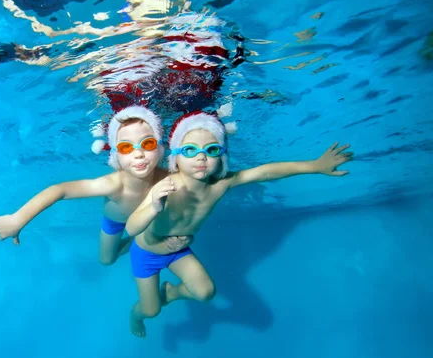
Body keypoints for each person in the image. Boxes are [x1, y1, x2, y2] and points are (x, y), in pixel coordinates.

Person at [125, 110, 353, 337]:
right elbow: (132, 227)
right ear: (175, 156)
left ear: (222, 155)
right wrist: (154, 205)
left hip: (178, 251)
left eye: (211, 150)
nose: (201, 157)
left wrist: (315, 166)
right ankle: (135, 317)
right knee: (151, 310)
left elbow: (264, 172)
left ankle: (172, 293)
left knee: (205, 292)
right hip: (147, 253)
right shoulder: (167, 186)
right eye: (190, 150)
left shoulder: (221, 184)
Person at [0, 105, 191, 265]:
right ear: (115, 155)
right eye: (126, 147)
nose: (138, 154)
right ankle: (137, 239)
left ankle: (144, 234)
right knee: (106, 260)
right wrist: (17, 219)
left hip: (152, 218)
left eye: (147, 144)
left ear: (160, 147)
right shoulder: (112, 184)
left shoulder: (171, 176)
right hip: (116, 221)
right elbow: (59, 190)